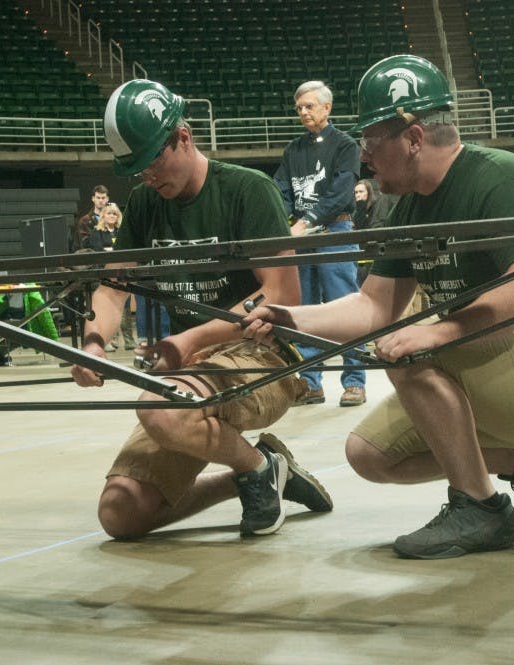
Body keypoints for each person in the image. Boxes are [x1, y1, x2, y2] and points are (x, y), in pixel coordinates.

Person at [244, 55, 514, 560]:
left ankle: (480, 507)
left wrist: (436, 333)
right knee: (369, 456)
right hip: (494, 365)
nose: (364, 156)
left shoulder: (502, 178)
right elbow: (372, 307)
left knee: (409, 349)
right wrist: (288, 319)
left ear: (412, 138)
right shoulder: (410, 207)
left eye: (372, 142)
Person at [72, 79, 332, 540]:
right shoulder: (145, 202)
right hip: (188, 370)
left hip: (262, 358)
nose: (147, 176)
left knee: (160, 408)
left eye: (153, 159)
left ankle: (257, 468)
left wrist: (188, 340)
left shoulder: (247, 190)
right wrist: (94, 342)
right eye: (136, 168)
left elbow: (282, 295)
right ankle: (259, 471)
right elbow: (113, 289)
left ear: (184, 137)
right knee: (121, 515)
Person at [274, 81, 366, 408]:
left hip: (335, 233)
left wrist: (305, 221)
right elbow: (281, 192)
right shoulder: (292, 150)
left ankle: (354, 380)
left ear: (327, 108)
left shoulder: (345, 145)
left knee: (345, 307)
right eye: (299, 108)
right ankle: (310, 382)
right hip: (301, 239)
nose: (303, 112)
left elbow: (341, 193)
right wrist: (277, 221)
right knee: (305, 311)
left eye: (309, 106)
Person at [83, 202, 135, 349]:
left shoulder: (122, 232)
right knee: (110, 304)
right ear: (103, 216)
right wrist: (110, 252)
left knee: (125, 308)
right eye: (109, 213)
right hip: (103, 275)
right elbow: (97, 250)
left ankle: (129, 339)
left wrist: (110, 251)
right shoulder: (96, 232)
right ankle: (110, 340)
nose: (112, 216)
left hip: (122, 273)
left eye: (114, 213)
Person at [74, 185, 109, 252]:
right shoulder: (85, 221)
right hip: (93, 258)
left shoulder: (113, 218)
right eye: (98, 198)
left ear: (107, 199)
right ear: (93, 198)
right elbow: (85, 244)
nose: (101, 200)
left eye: (103, 198)